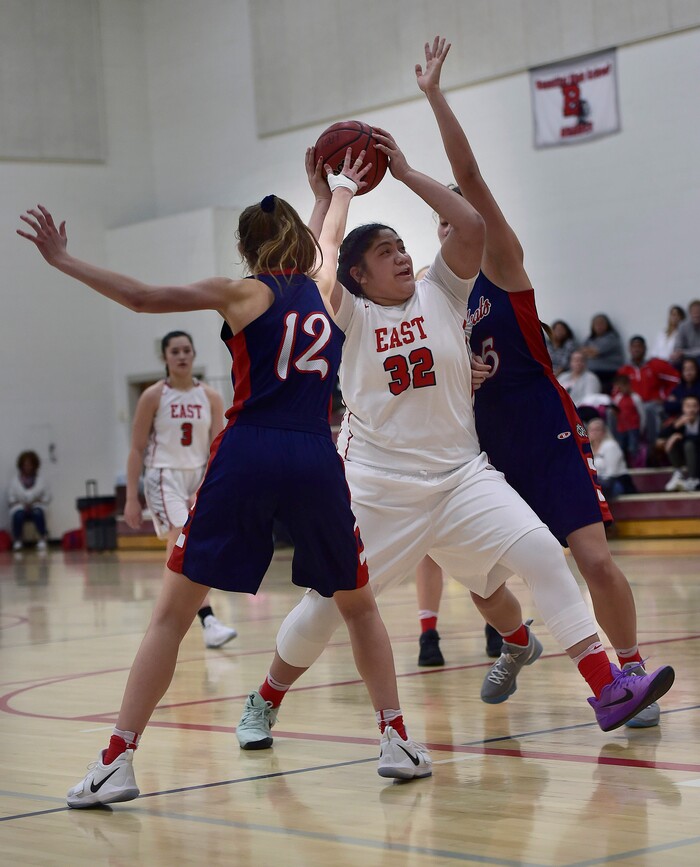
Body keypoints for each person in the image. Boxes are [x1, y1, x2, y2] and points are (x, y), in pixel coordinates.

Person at [234, 42, 674, 753]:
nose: (403, 255)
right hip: (382, 488)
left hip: (463, 474)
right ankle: (265, 697)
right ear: (359, 274)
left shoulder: (444, 289)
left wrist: (404, 171)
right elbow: (318, 271)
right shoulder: (350, 315)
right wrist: (332, 195)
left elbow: (471, 225)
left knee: (543, 552)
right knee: (326, 607)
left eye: (402, 247)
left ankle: (607, 687)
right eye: (385, 252)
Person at [18, 189, 432, 806]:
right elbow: (326, 234)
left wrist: (64, 260)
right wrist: (332, 190)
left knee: (171, 616)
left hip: (249, 450)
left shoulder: (241, 292)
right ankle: (395, 740)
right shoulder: (322, 286)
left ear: (245, 247)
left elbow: (141, 298)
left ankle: (116, 760)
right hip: (314, 452)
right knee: (359, 607)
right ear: (302, 239)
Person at [413, 36, 673, 729]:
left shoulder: (503, 265)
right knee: (483, 581)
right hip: (479, 447)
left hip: (543, 427)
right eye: (441, 223)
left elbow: (469, 175)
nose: (452, 228)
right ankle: (517, 641)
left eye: (458, 217)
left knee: (593, 558)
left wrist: (434, 98)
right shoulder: (434, 302)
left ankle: (630, 667)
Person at [125, 330, 237, 649]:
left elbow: (217, 450)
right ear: (165, 357)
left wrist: (206, 485)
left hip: (198, 476)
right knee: (181, 536)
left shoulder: (211, 397)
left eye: (187, 350)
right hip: (164, 476)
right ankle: (208, 620)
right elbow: (137, 448)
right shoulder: (153, 396)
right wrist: (131, 497)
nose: (182, 356)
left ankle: (168, 618)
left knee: (186, 546)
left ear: (194, 354)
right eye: (175, 351)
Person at [615, 335, 680, 449]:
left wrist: (665, 396)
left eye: (639, 346)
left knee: (649, 409)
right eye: (634, 347)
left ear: (645, 348)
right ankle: (623, 449)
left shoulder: (656, 364)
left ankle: (653, 448)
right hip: (632, 406)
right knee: (614, 412)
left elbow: (676, 380)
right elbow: (616, 392)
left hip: (653, 405)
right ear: (629, 349)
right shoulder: (624, 370)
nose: (636, 349)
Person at [8, 450, 51, 553]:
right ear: (21, 466)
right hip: (20, 507)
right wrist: (20, 503)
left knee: (38, 513)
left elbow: (47, 496)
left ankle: (42, 538)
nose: (27, 467)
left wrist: (38, 500)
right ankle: (17, 539)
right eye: (25, 465)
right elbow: (10, 498)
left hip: (36, 505)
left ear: (34, 466)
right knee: (18, 515)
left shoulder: (41, 480)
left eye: (30, 465)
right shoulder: (14, 481)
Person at [586, 417, 636, 501]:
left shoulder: (611, 446)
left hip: (616, 483)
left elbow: (611, 474)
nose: (594, 432)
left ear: (604, 432)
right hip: (597, 483)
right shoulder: (588, 448)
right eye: (591, 430)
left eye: (597, 430)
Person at [662, 395, 700, 492]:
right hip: (685, 456)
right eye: (688, 406)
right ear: (683, 408)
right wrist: (675, 427)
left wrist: (682, 437)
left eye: (694, 406)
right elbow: (662, 435)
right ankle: (678, 474)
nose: (691, 409)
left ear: (698, 407)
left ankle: (693, 478)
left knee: (689, 444)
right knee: (673, 442)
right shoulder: (679, 420)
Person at [580, 314, 625, 394]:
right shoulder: (590, 339)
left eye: (601, 323)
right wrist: (590, 352)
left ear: (607, 325)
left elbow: (595, 352)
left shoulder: (611, 337)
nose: (599, 326)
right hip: (591, 373)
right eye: (596, 324)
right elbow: (581, 351)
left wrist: (590, 352)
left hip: (608, 374)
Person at [609, 373, 644, 465]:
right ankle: (624, 465)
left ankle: (635, 465)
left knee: (633, 448)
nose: (620, 389)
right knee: (621, 447)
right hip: (621, 428)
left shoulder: (636, 398)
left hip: (633, 427)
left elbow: (641, 414)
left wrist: (641, 428)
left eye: (622, 386)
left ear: (628, 385)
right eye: (619, 387)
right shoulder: (618, 398)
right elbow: (615, 413)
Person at [671, 300, 700, 364]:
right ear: (690, 313)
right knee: (674, 361)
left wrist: (684, 353)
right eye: (694, 312)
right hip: (686, 358)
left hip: (696, 357)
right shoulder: (683, 326)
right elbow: (678, 345)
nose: (696, 314)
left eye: (698, 311)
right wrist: (677, 353)